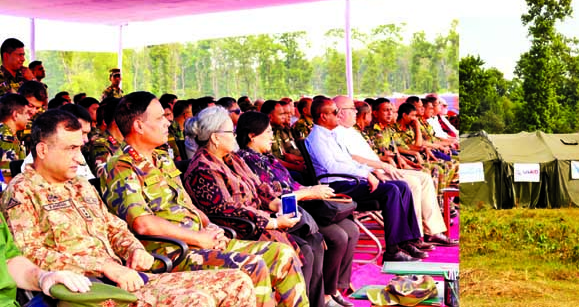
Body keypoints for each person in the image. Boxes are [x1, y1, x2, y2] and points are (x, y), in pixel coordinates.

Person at [1, 110, 256, 306]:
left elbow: (114, 227)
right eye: (71, 149)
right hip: (88, 289)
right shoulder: (23, 191)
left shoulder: (79, 185)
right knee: (197, 300)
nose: (80, 159)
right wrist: (102, 267)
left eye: (80, 148)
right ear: (43, 150)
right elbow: (30, 253)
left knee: (237, 281)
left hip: (126, 277)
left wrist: (133, 249)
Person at [99, 91, 308, 307]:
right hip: (172, 252)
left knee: (282, 254)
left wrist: (210, 226)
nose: (167, 123)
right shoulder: (121, 167)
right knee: (253, 265)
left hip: (199, 242)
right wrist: (198, 238)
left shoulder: (161, 159)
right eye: (160, 118)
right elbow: (142, 223)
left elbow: (187, 205)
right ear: (139, 126)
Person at [183, 106, 335, 307]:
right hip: (242, 230)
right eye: (230, 131)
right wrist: (272, 222)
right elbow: (226, 210)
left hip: (262, 219)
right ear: (215, 138)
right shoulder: (202, 170)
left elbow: (258, 186)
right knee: (304, 249)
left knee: (314, 240)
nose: (235, 135)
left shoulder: (233, 159)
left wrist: (275, 202)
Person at [235, 110, 358, 307]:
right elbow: (272, 196)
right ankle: (318, 298)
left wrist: (311, 190)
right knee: (336, 236)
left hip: (303, 203)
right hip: (285, 211)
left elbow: (291, 183)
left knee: (351, 229)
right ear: (251, 135)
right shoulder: (245, 161)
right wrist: (308, 193)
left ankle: (332, 290)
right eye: (267, 133)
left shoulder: (267, 158)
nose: (272, 137)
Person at [305, 98, 424, 262]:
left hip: (349, 180)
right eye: (334, 112)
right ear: (323, 116)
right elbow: (332, 167)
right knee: (391, 190)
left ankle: (407, 240)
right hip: (336, 185)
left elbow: (350, 161)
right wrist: (365, 174)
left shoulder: (331, 135)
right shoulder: (318, 138)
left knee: (402, 186)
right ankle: (392, 251)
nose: (338, 115)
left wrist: (368, 171)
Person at [333, 96, 457, 247]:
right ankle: (415, 235)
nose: (355, 112)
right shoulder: (337, 133)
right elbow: (353, 159)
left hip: (380, 168)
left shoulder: (351, 131)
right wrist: (381, 165)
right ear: (340, 113)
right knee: (412, 182)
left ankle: (433, 231)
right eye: (351, 109)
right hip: (369, 173)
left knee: (424, 178)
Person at [0, 94, 29, 181]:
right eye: (26, 113)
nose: (28, 117)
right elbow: (7, 178)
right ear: (15, 115)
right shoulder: (7, 139)